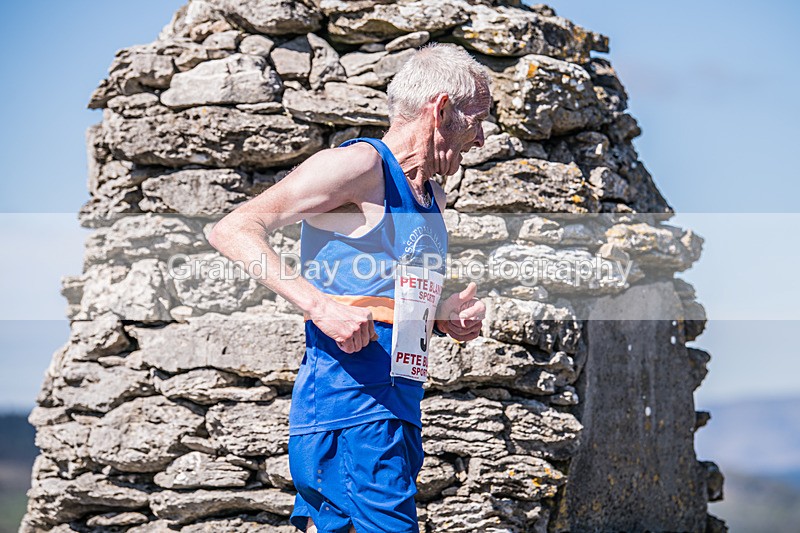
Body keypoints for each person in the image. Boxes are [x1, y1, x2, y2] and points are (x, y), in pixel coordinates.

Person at [208, 42, 490, 533]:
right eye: (477, 119)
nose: (481, 138)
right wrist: (320, 307)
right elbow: (233, 228)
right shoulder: (360, 167)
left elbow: (382, 293)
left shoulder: (431, 194)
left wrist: (441, 314)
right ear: (441, 109)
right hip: (348, 407)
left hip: (398, 405)